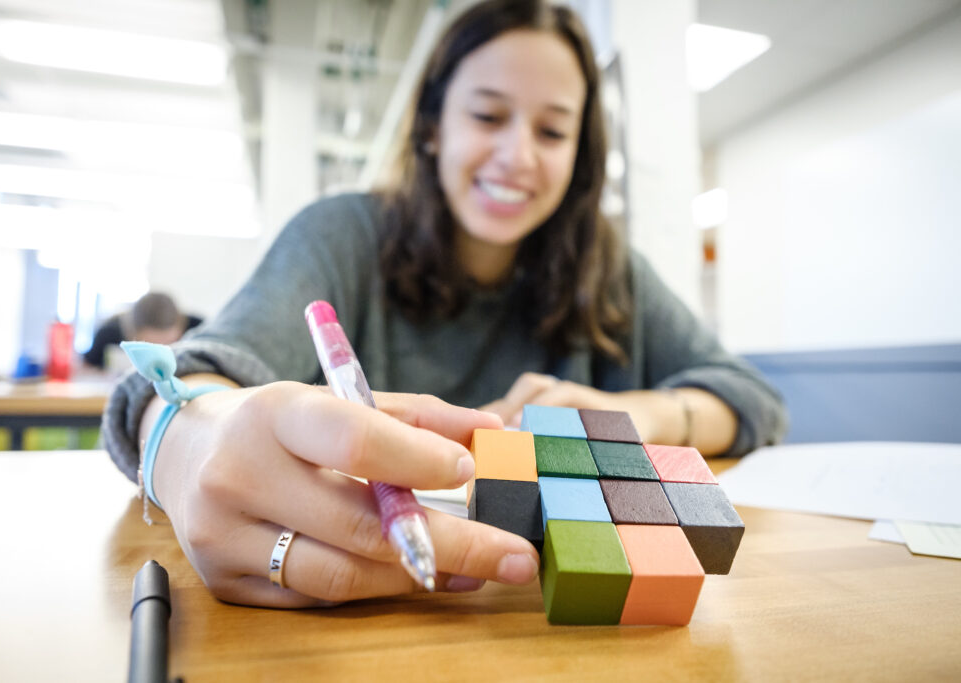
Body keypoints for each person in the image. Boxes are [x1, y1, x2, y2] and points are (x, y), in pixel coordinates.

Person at [102, 0, 786, 610]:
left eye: (552, 132)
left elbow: (750, 398)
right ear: (432, 125)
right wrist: (189, 440)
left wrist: (644, 413)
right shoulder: (341, 235)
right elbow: (181, 379)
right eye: (487, 115)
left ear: (580, 152)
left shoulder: (607, 270)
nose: (518, 155)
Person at [83, 292, 203, 370]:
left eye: (167, 344)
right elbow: (87, 368)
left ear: (181, 328)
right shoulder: (108, 334)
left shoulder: (198, 330)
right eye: (149, 345)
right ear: (131, 334)